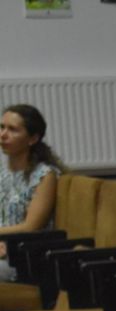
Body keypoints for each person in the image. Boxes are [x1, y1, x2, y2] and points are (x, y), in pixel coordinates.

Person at [0, 104, 64, 282]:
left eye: (13, 129)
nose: (3, 134)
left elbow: (31, 227)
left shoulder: (45, 175)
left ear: (33, 138)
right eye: (2, 127)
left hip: (23, 257)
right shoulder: (2, 173)